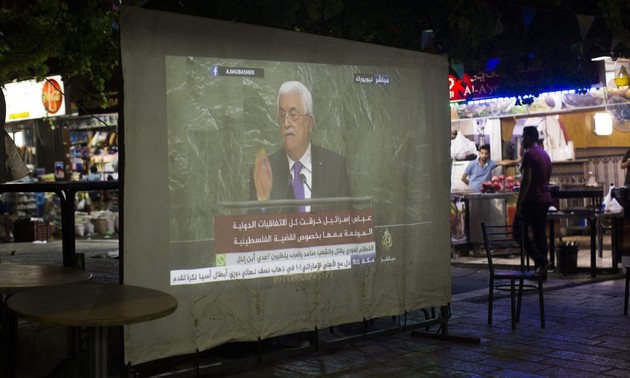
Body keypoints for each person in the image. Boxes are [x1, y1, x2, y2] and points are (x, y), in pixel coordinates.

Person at [249, 81, 351, 209]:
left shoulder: (335, 167)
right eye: (282, 116)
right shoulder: (263, 171)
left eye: (293, 115)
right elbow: (254, 225)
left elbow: (348, 224)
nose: (286, 123)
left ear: (309, 123)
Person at [515, 126, 552, 274]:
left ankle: (541, 261)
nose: (522, 140)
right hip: (544, 199)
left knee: (518, 232)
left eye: (523, 137)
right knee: (539, 233)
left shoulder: (529, 155)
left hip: (531, 200)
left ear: (529, 137)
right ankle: (541, 271)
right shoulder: (545, 155)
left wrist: (519, 204)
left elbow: (526, 180)